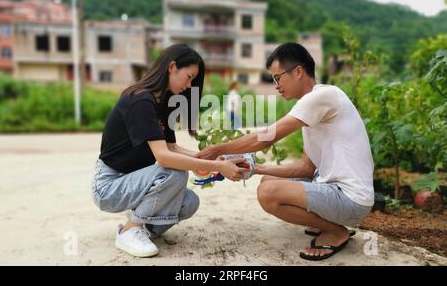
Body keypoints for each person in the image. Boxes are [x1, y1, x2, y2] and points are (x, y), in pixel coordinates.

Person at [197, 43, 374, 261]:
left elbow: (266, 137)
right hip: (334, 190)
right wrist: (256, 169)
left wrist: (218, 149)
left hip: (351, 200)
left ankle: (336, 232)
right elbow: (306, 168)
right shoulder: (312, 109)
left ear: (298, 71)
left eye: (277, 77)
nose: (276, 86)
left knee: (268, 194)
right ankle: (328, 224)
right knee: (267, 182)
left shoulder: (322, 96)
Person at [92, 44, 247, 258]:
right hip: (110, 185)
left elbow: (171, 147)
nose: (190, 84)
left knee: (189, 202)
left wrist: (210, 158)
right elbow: (164, 157)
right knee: (173, 171)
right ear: (172, 67)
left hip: (136, 181)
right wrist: (217, 166)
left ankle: (142, 226)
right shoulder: (140, 100)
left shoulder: (162, 102)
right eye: (189, 76)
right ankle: (129, 230)